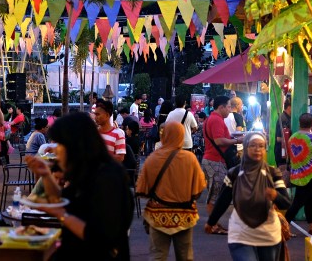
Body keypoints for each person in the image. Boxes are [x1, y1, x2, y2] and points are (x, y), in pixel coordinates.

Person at [25, 112, 133, 260]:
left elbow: (100, 237)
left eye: (59, 144)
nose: (55, 150)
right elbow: (61, 200)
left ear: (74, 145)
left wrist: (61, 214)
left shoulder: (107, 177)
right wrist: (46, 175)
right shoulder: (85, 172)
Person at [137, 121, 207, 261]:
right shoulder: (190, 159)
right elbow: (199, 189)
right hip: (184, 215)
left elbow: (142, 190)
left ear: (164, 136)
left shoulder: (153, 158)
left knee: (157, 256)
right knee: (185, 256)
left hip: (158, 216)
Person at [225, 132, 292, 261]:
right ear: (245, 147)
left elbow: (286, 203)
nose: (257, 149)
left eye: (261, 146)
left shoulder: (272, 173)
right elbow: (223, 199)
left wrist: (275, 195)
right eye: (253, 145)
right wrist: (212, 221)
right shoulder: (235, 173)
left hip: (267, 233)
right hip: (241, 233)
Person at [285, 113, 312, 235]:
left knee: (310, 199)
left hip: (296, 174)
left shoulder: (292, 138)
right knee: (297, 203)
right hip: (307, 175)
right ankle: (282, 228)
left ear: (299, 123)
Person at [202, 95, 233, 221]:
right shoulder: (216, 119)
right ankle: (212, 224)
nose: (230, 110)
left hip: (214, 160)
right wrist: (237, 140)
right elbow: (219, 141)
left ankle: (213, 223)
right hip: (215, 160)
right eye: (229, 107)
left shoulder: (213, 118)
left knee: (215, 193)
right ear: (221, 107)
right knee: (214, 195)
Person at [93, 98, 126, 162]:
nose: (95, 117)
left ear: (107, 115)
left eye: (98, 114)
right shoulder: (93, 133)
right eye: (95, 114)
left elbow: (120, 157)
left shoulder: (118, 134)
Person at [274, 99, 292, 168]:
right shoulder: (283, 119)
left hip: (286, 152)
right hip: (281, 153)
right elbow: (278, 138)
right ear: (289, 107)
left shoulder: (289, 118)